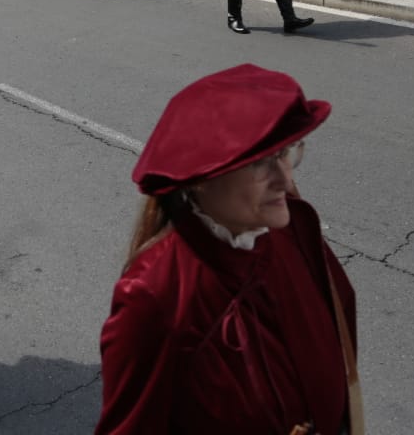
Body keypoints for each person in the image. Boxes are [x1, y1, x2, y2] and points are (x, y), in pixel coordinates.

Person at [96, 64, 356, 435]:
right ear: (202, 179)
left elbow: (338, 331)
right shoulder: (153, 296)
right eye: (261, 164)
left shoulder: (293, 227)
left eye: (285, 153)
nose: (286, 178)